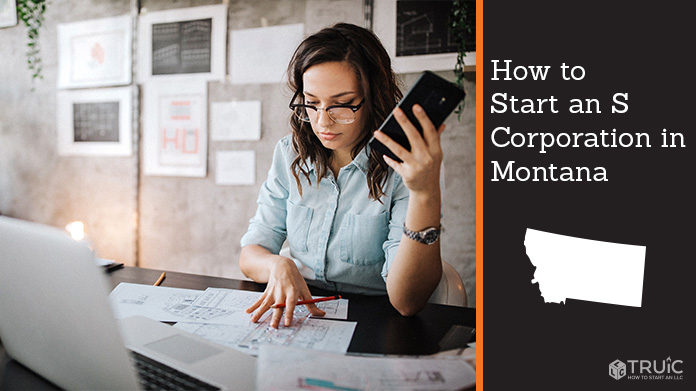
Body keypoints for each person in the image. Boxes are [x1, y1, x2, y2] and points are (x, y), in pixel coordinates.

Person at [239, 23, 445, 328]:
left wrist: (425, 193)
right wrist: (277, 264)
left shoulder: (405, 167)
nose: (322, 121)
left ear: (373, 97)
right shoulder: (290, 154)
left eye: (342, 105)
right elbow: (251, 253)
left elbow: (407, 302)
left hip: (376, 321)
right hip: (303, 316)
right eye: (312, 103)